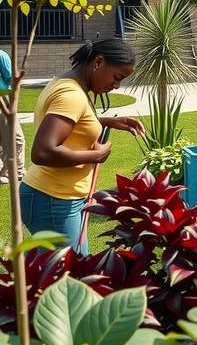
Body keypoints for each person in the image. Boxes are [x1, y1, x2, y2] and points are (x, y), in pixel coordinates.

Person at [20, 39, 145, 254]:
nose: (116, 86)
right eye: (117, 77)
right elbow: (42, 152)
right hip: (54, 199)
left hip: (57, 197)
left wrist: (105, 122)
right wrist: (94, 155)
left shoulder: (66, 83)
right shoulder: (72, 96)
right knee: (71, 278)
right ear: (98, 62)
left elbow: (73, 124)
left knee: (69, 271)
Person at [0, 48, 25, 185]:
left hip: (3, 100)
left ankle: (13, 171)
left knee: (13, 139)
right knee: (13, 139)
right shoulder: (1, 55)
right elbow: (10, 79)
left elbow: (11, 79)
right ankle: (11, 171)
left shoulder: (1, 55)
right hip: (2, 99)